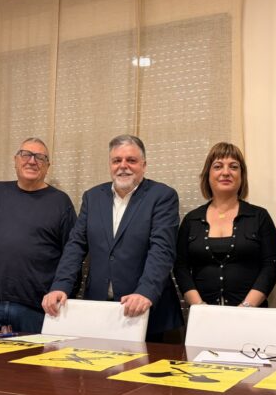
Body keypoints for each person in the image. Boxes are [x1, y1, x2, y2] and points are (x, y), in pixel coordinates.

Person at [42, 134, 183, 342]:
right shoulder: (92, 197)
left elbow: (162, 250)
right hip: (99, 310)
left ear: (144, 165)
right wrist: (60, 286)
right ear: (110, 164)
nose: (123, 166)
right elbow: (75, 246)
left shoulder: (162, 196)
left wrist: (145, 292)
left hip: (147, 312)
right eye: (117, 160)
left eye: (131, 160)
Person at [0, 138, 77, 334]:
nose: (32, 161)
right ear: (15, 160)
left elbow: (72, 254)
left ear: (47, 166)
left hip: (37, 310)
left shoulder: (60, 202)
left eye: (40, 157)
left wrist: (62, 289)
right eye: (26, 155)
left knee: (35, 356)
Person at [174, 142, 276, 308]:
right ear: (207, 175)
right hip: (204, 317)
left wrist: (245, 308)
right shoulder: (191, 220)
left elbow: (271, 266)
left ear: (242, 175)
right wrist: (200, 307)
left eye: (233, 167)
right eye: (218, 166)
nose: (226, 172)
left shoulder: (259, 217)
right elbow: (180, 268)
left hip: (251, 315)